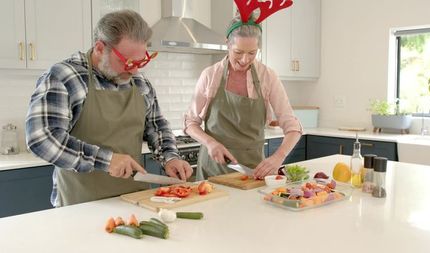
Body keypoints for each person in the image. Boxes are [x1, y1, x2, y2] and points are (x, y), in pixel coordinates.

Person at [25, 10, 192, 207]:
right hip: (80, 204)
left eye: (141, 61)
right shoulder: (65, 77)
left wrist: (170, 157)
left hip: (134, 200)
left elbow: (156, 126)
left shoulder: (139, 82)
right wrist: (106, 160)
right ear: (99, 48)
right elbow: (41, 138)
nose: (135, 70)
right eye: (128, 61)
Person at [184, 12, 303, 181]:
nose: (245, 59)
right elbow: (190, 123)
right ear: (228, 44)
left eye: (252, 53)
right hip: (213, 170)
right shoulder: (210, 75)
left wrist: (278, 157)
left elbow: (293, 127)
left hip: (253, 171)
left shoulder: (267, 76)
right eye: (238, 52)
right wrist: (210, 143)